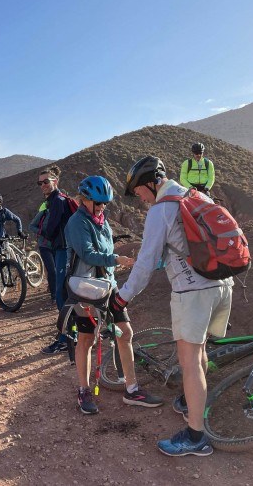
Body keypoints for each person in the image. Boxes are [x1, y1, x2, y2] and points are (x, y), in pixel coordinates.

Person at [114, 156, 233, 456]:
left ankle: (196, 438)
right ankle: (192, 404)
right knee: (200, 352)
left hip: (193, 292)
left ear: (152, 183)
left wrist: (123, 296)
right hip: (222, 285)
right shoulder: (196, 195)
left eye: (139, 190)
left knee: (189, 362)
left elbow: (144, 262)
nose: (139, 198)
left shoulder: (161, 210)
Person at [64, 176, 163, 415]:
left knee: (125, 332)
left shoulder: (103, 222)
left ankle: (132, 389)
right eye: (98, 203)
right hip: (86, 288)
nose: (102, 207)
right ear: (84, 199)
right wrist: (116, 259)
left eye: (104, 203)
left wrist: (117, 263)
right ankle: (84, 391)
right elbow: (88, 254)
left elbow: (105, 252)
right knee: (87, 339)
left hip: (108, 285)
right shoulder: (76, 223)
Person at [37, 165, 76, 355]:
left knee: (61, 295)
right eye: (40, 183)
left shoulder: (57, 201)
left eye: (46, 182)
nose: (42, 185)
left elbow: (51, 229)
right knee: (67, 293)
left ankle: (65, 339)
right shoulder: (56, 200)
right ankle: (72, 335)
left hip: (63, 250)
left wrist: (39, 229)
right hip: (64, 249)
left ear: (55, 182)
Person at [29, 200, 56, 302]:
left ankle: (57, 291)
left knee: (59, 270)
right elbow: (31, 226)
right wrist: (41, 232)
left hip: (58, 246)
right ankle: (54, 296)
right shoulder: (44, 213)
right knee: (52, 270)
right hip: (44, 245)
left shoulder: (62, 214)